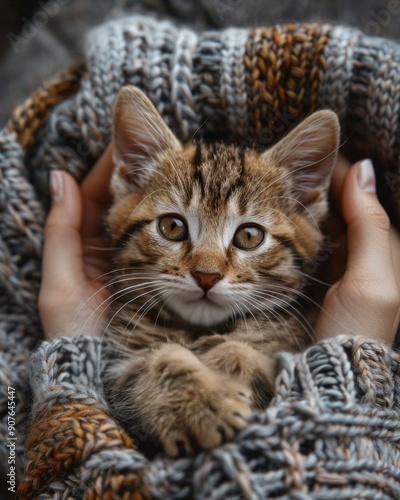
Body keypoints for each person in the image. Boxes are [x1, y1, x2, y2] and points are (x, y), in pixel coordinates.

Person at [38, 146, 400, 346]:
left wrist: (71, 363)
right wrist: (349, 366)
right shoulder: (122, 324)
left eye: (248, 236)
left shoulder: (294, 335)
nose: (207, 270)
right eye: (173, 227)